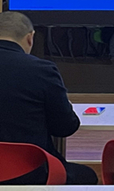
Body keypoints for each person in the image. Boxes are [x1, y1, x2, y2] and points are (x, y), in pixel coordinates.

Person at [0, 11, 98, 185]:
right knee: (87, 176)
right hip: (31, 173)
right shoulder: (41, 70)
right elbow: (65, 127)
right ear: (30, 38)